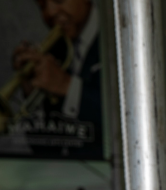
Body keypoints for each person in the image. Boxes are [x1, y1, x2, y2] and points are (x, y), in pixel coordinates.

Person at [12, 0, 102, 153]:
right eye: (42, 6)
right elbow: (46, 150)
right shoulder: (57, 50)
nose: (50, 12)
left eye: (58, 0)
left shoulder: (120, 37)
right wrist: (31, 95)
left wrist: (66, 86)